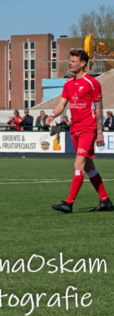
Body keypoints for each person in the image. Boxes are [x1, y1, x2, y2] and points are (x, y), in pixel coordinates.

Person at [46, 49, 112, 213]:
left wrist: (99, 132)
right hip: (74, 129)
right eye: (70, 60)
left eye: (73, 61)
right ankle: (105, 200)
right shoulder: (68, 83)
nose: (69, 63)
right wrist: (52, 115)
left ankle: (69, 203)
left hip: (88, 129)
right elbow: (62, 104)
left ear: (83, 63)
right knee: (89, 166)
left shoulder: (92, 83)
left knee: (78, 164)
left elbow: (99, 108)